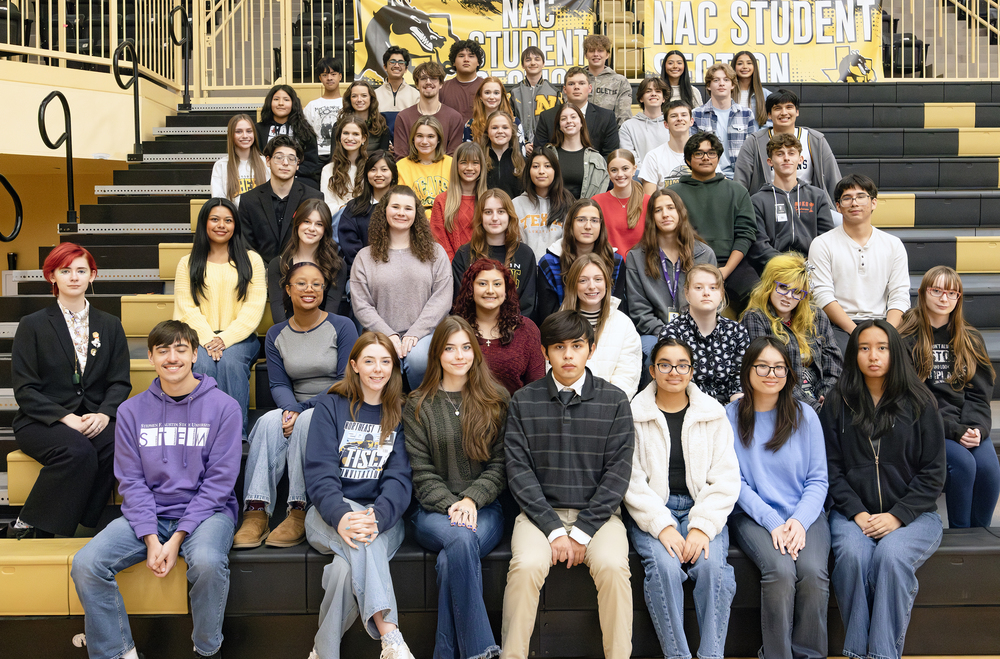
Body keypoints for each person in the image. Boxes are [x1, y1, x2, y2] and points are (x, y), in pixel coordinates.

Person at [71, 320, 241, 659]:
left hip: (207, 514)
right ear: (150, 357)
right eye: (163, 350)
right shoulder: (131, 411)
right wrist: (151, 538)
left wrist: (176, 539)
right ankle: (120, 653)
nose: (172, 357)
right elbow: (131, 481)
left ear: (195, 354)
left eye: (180, 349)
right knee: (86, 563)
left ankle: (207, 651)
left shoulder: (224, 407)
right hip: (150, 512)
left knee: (208, 562)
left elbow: (219, 483)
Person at [502, 310, 635, 659]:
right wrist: (553, 530)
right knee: (525, 567)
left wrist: (582, 532)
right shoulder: (523, 400)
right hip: (538, 516)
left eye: (577, 346)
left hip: (600, 517)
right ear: (545, 352)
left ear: (591, 349)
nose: (568, 355)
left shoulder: (615, 400)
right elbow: (519, 472)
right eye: (559, 347)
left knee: (614, 568)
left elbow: (618, 474)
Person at [821, 320, 946, 659]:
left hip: (915, 515)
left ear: (895, 353)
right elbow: (830, 469)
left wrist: (897, 516)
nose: (873, 356)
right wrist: (857, 512)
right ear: (853, 354)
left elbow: (933, 473)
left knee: (891, 557)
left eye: (882, 348)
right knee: (853, 557)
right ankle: (861, 653)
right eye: (864, 348)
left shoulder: (920, 401)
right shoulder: (837, 402)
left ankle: (879, 656)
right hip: (852, 514)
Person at [624, 336, 740, 659]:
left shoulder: (713, 414)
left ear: (691, 371)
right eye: (665, 365)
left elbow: (726, 478)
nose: (673, 372)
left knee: (713, 569)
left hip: (701, 508)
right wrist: (662, 526)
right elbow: (631, 481)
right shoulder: (634, 414)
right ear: (652, 370)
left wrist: (702, 526)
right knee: (664, 567)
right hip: (654, 510)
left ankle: (711, 656)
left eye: (681, 365)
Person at [303, 331, 415, 659]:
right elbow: (320, 472)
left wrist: (377, 517)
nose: (377, 369)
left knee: (342, 571)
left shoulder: (401, 411)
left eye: (385, 361)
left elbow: (399, 477)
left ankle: (323, 653)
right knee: (365, 543)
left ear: (394, 367)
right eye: (369, 361)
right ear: (354, 365)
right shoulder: (331, 405)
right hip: (327, 515)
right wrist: (341, 516)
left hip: (383, 517)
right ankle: (391, 637)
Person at [403, 316, 509, 659]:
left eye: (466, 347)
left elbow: (501, 465)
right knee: (460, 538)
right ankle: (481, 652)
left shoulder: (496, 399)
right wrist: (452, 504)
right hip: (431, 511)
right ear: (437, 354)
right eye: (450, 348)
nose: (459, 355)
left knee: (452, 560)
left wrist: (472, 499)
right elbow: (421, 472)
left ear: (475, 352)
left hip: (485, 509)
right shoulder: (417, 404)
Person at [9, 243, 130, 539]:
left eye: (81, 270)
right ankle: (30, 524)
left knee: (118, 441)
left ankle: (83, 520)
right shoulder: (32, 325)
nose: (74, 277)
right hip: (42, 420)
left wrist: (104, 414)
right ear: (52, 276)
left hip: (94, 416)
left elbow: (119, 381)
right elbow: (25, 389)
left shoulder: (110, 325)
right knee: (77, 450)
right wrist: (66, 418)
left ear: (93, 275)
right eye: (65, 271)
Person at [234, 262, 359, 549]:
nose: (309, 289)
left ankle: (298, 510)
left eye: (316, 284)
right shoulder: (276, 334)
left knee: (305, 421)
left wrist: (299, 412)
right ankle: (256, 511)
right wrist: (290, 409)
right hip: (298, 407)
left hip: (337, 406)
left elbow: (346, 381)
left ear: (324, 289)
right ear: (288, 290)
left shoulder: (342, 326)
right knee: (266, 421)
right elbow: (278, 383)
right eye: (301, 283)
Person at [728, 336, 831, 659]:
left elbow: (818, 479)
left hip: (804, 512)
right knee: (781, 572)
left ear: (789, 372)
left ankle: (809, 655)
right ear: (748, 370)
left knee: (812, 573)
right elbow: (734, 482)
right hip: (753, 516)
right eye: (762, 366)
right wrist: (772, 521)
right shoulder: (730, 416)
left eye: (779, 367)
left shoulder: (805, 415)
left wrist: (799, 521)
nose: (771, 374)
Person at [898, 266, 999, 528]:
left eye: (952, 293)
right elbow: (909, 400)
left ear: (958, 298)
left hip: (965, 423)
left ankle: (980, 536)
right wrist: (955, 431)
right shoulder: (905, 339)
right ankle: (961, 535)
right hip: (926, 426)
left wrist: (977, 429)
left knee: (989, 469)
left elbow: (979, 395)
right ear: (923, 293)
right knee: (963, 464)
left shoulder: (970, 338)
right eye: (937, 291)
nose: (945, 298)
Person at [175, 198, 266, 434]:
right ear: (204, 223)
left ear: (235, 225)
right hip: (199, 338)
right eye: (214, 219)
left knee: (230, 362)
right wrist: (208, 339)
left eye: (228, 220)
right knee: (202, 362)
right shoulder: (187, 263)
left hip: (241, 338)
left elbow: (254, 307)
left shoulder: (252, 260)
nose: (221, 225)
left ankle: (234, 435)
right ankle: (201, 433)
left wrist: (225, 339)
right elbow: (186, 307)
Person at [351, 186, 453, 390]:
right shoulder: (365, 257)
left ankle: (421, 403)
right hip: (380, 335)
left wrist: (415, 333)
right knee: (381, 360)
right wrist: (389, 335)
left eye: (408, 208)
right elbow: (362, 305)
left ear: (416, 214)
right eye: (395, 207)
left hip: (426, 334)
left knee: (418, 359)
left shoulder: (435, 252)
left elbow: (442, 298)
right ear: (384, 210)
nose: (401, 213)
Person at [808, 174, 909, 354]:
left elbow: (899, 295)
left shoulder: (893, 244)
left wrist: (887, 332)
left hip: (881, 322)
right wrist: (857, 332)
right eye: (847, 198)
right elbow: (822, 295)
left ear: (873, 203)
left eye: (861, 197)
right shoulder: (822, 244)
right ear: (838, 206)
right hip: (838, 325)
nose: (854, 203)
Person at [668, 132, 758, 314]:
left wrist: (725, 270)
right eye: (699, 153)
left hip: (731, 264)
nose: (706, 158)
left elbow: (746, 234)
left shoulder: (737, 191)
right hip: (688, 263)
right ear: (688, 160)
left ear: (718, 157)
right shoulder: (672, 194)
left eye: (711, 153)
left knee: (758, 294)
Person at [741, 253, 842, 412]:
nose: (788, 297)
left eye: (797, 292)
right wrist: (813, 407)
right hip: (781, 400)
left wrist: (826, 397)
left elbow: (833, 363)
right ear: (769, 284)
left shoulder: (816, 316)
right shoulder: (755, 318)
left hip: (820, 398)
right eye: (783, 287)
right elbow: (767, 372)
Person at [626, 189, 716, 362]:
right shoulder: (636, 257)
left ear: (680, 212)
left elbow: (710, 302)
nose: (665, 214)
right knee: (655, 354)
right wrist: (668, 334)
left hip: (697, 331)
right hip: (655, 334)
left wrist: (688, 333)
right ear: (651, 217)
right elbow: (639, 310)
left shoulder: (705, 254)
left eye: (670, 208)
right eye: (658, 210)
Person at [659, 263, 749, 404]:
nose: (706, 293)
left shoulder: (737, 332)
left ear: (721, 293)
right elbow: (672, 381)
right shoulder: (672, 332)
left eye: (713, 288)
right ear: (687, 293)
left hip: (728, 408)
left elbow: (739, 381)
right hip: (686, 405)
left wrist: (733, 412)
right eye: (698, 287)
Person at [735, 89, 843, 205]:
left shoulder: (815, 140)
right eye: (777, 108)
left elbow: (833, 180)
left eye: (789, 107)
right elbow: (740, 183)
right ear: (769, 114)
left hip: (809, 205)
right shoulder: (754, 142)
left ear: (797, 112)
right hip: (768, 206)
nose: (784, 112)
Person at [453, 258, 545, 394]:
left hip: (515, 406)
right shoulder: (456, 329)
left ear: (506, 290)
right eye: (482, 284)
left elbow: (537, 386)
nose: (490, 290)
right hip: (465, 406)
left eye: (497, 284)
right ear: (470, 289)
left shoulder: (527, 329)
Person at [747, 133, 835, 274]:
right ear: (770, 161)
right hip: (775, 269)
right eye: (780, 154)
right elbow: (758, 246)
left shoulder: (817, 196)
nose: (786, 158)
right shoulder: (757, 201)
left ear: (800, 159)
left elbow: (827, 238)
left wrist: (808, 264)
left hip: (812, 267)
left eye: (791, 153)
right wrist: (787, 265)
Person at [560, 253, 642, 398]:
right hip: (568, 405)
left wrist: (605, 405)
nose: (592, 286)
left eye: (598, 279)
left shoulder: (624, 324)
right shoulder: (559, 323)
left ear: (606, 283)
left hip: (611, 405)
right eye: (583, 280)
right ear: (573, 285)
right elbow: (556, 372)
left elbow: (627, 377)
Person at [452, 188, 538, 318]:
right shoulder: (464, 254)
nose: (495, 218)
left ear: (509, 215)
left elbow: (528, 305)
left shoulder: (525, 254)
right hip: (472, 325)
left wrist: (512, 326)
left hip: (515, 325)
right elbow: (459, 302)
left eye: (501, 211)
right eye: (488, 212)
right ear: (480, 216)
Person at [536, 199, 625, 322]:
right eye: (581, 220)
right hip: (563, 329)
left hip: (606, 327)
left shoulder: (615, 261)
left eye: (594, 221)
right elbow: (548, 316)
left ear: (601, 225)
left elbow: (617, 309)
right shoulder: (549, 263)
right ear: (570, 224)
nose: (588, 226)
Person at [238, 135, 324, 263]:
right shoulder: (249, 199)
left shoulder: (313, 198)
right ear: (268, 161)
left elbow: (319, 242)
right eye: (279, 157)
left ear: (297, 164)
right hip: (259, 270)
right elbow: (246, 244)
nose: (285, 163)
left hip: (301, 268)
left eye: (291, 159)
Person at [266, 198, 348, 323]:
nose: (312, 228)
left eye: (319, 224)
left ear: (325, 229)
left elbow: (331, 313)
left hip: (324, 331)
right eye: (307, 222)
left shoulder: (336, 265)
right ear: (297, 223)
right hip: (287, 331)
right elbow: (278, 315)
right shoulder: (279, 264)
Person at [533, 67, 620, 158]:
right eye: (571, 84)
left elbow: (610, 156)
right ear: (564, 89)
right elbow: (539, 153)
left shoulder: (606, 117)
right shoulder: (547, 117)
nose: (576, 87)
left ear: (590, 88)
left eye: (582, 83)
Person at [692, 62, 755, 179]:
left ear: (733, 85)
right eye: (716, 80)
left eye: (726, 80)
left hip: (739, 178)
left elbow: (752, 151)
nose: (721, 83)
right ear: (708, 86)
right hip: (707, 177)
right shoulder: (696, 114)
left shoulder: (746, 114)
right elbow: (692, 150)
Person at [394, 61, 465, 162]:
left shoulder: (454, 118)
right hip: (410, 171)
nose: (428, 82)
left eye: (433, 78)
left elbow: (453, 158)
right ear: (417, 84)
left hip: (444, 172)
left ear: (441, 84)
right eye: (423, 78)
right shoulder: (403, 117)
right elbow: (401, 157)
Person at [339, 151, 398, 271]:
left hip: (398, 270)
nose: (378, 174)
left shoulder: (403, 206)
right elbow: (350, 247)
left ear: (393, 174)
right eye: (373, 170)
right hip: (362, 271)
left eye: (384, 169)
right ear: (366, 174)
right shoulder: (354, 207)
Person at [512, 146, 575, 259]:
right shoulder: (516, 204)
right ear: (529, 171)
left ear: (555, 171)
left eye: (547, 166)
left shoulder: (568, 203)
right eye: (535, 166)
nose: (541, 171)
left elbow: (571, 242)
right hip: (526, 265)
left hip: (558, 266)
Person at [429, 141, 487, 259]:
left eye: (475, 163)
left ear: (481, 166)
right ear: (456, 165)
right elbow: (439, 240)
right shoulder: (441, 201)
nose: (469, 168)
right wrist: (455, 265)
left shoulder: (489, 200)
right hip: (452, 266)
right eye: (464, 162)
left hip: (486, 266)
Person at [257, 84, 321, 184]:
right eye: (276, 99)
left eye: (286, 100)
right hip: (265, 178)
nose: (281, 103)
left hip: (298, 178)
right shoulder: (258, 129)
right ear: (269, 102)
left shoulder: (305, 130)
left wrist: (289, 171)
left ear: (293, 103)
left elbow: (311, 163)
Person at [548, 103, 609, 201]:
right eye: (563, 119)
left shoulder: (596, 159)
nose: (569, 121)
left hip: (586, 209)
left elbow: (600, 194)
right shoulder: (549, 155)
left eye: (573, 117)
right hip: (553, 209)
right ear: (559, 126)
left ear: (581, 123)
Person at [594, 149, 649, 254]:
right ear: (608, 172)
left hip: (641, 263)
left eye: (625, 169)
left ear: (634, 170)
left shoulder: (648, 201)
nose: (620, 174)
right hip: (608, 261)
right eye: (614, 170)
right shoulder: (597, 202)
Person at [319, 113, 368, 224]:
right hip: (338, 221)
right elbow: (327, 204)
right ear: (339, 137)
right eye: (346, 133)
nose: (350, 138)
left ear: (363, 138)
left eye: (355, 134)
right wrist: (344, 207)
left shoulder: (371, 167)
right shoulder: (328, 169)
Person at [211, 113, 269, 207]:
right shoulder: (221, 165)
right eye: (238, 132)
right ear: (231, 135)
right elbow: (219, 202)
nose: (245, 135)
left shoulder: (266, 163)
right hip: (233, 215)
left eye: (249, 131)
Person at [397, 115, 453, 210]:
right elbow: (401, 202)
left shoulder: (451, 163)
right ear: (413, 138)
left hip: (446, 217)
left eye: (430, 136)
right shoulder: (402, 166)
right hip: (415, 217)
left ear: (438, 139)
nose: (424, 141)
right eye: (419, 136)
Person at [640, 100, 695, 193]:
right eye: (674, 116)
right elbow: (649, 197)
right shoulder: (653, 157)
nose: (679, 119)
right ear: (666, 124)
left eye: (684, 115)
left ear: (691, 121)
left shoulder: (704, 154)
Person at [510, 46, 559, 147]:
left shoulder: (555, 92)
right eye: (528, 60)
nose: (533, 63)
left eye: (537, 59)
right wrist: (523, 143)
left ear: (543, 63)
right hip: (519, 148)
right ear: (522, 65)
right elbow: (508, 121)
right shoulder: (513, 93)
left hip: (548, 147)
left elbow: (559, 122)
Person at [618, 77, 670, 170]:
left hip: (670, 175)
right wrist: (647, 174)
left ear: (663, 98)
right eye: (648, 91)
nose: (653, 94)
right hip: (640, 176)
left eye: (658, 91)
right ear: (641, 98)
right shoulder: (628, 127)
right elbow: (629, 158)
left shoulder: (672, 124)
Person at [583, 33, 632, 126]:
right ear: (586, 55)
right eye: (591, 51)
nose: (596, 54)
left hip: (609, 132)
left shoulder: (620, 81)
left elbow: (624, 116)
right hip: (579, 132)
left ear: (607, 54)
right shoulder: (576, 80)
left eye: (600, 50)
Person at [464, 76, 525, 150]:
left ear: (502, 96)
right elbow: (466, 154)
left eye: (496, 93)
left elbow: (520, 154)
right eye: (487, 93)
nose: (492, 97)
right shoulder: (471, 125)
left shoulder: (514, 122)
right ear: (480, 96)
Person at [304, 57, 344, 163]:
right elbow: (304, 134)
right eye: (325, 75)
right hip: (317, 157)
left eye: (333, 74)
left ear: (340, 76)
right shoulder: (312, 106)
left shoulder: (348, 104)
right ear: (320, 78)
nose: (329, 78)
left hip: (343, 155)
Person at [375, 46, 420, 138]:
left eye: (401, 62)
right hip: (381, 144)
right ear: (385, 67)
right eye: (392, 62)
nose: (396, 65)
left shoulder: (416, 95)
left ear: (406, 68)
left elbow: (418, 126)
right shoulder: (374, 95)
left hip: (407, 144)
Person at [480, 110, 526, 200]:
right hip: (486, 208)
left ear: (512, 131)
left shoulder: (524, 162)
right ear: (487, 132)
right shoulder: (479, 161)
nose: (500, 131)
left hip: (515, 209)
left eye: (505, 127)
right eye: (494, 128)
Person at [440, 39, 486, 123]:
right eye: (461, 56)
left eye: (471, 56)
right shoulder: (442, 88)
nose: (466, 59)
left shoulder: (487, 87)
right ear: (453, 62)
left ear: (478, 62)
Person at [341, 80, 391, 154]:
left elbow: (383, 157)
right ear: (349, 99)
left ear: (371, 98)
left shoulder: (381, 126)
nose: (359, 100)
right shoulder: (339, 126)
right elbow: (335, 156)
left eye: (364, 95)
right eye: (354, 96)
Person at [733, 51, 772, 129]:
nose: (745, 66)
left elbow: (771, 122)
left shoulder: (766, 94)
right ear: (734, 67)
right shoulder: (726, 94)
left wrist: (756, 136)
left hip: (757, 136)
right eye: (740, 64)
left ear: (754, 67)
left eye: (749, 63)